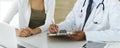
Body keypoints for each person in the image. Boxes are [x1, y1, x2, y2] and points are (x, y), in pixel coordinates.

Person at [49, 0, 120, 42]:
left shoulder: (113, 3)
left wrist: (86, 35)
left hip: (99, 44)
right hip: (78, 43)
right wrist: (58, 27)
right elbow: (70, 22)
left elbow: (117, 33)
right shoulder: (81, 1)